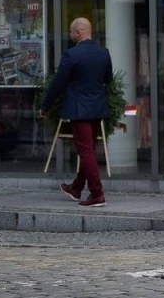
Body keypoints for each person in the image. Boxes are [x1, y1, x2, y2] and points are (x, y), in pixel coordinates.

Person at [42, 16, 113, 207]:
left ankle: (97, 193)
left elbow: (58, 83)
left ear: (79, 32)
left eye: (73, 32)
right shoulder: (104, 53)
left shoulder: (71, 55)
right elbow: (108, 79)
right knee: (88, 150)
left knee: (85, 151)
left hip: (78, 109)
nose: (72, 35)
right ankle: (76, 188)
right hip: (97, 108)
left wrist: (45, 106)